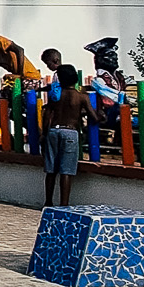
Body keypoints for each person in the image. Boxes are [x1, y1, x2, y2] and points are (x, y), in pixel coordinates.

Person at [40, 62, 93, 207]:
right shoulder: (81, 97)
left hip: (53, 130)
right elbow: (92, 116)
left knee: (51, 170)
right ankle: (64, 204)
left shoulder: (55, 96)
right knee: (66, 171)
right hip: (70, 132)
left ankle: (48, 202)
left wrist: (44, 133)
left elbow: (47, 114)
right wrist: (101, 116)